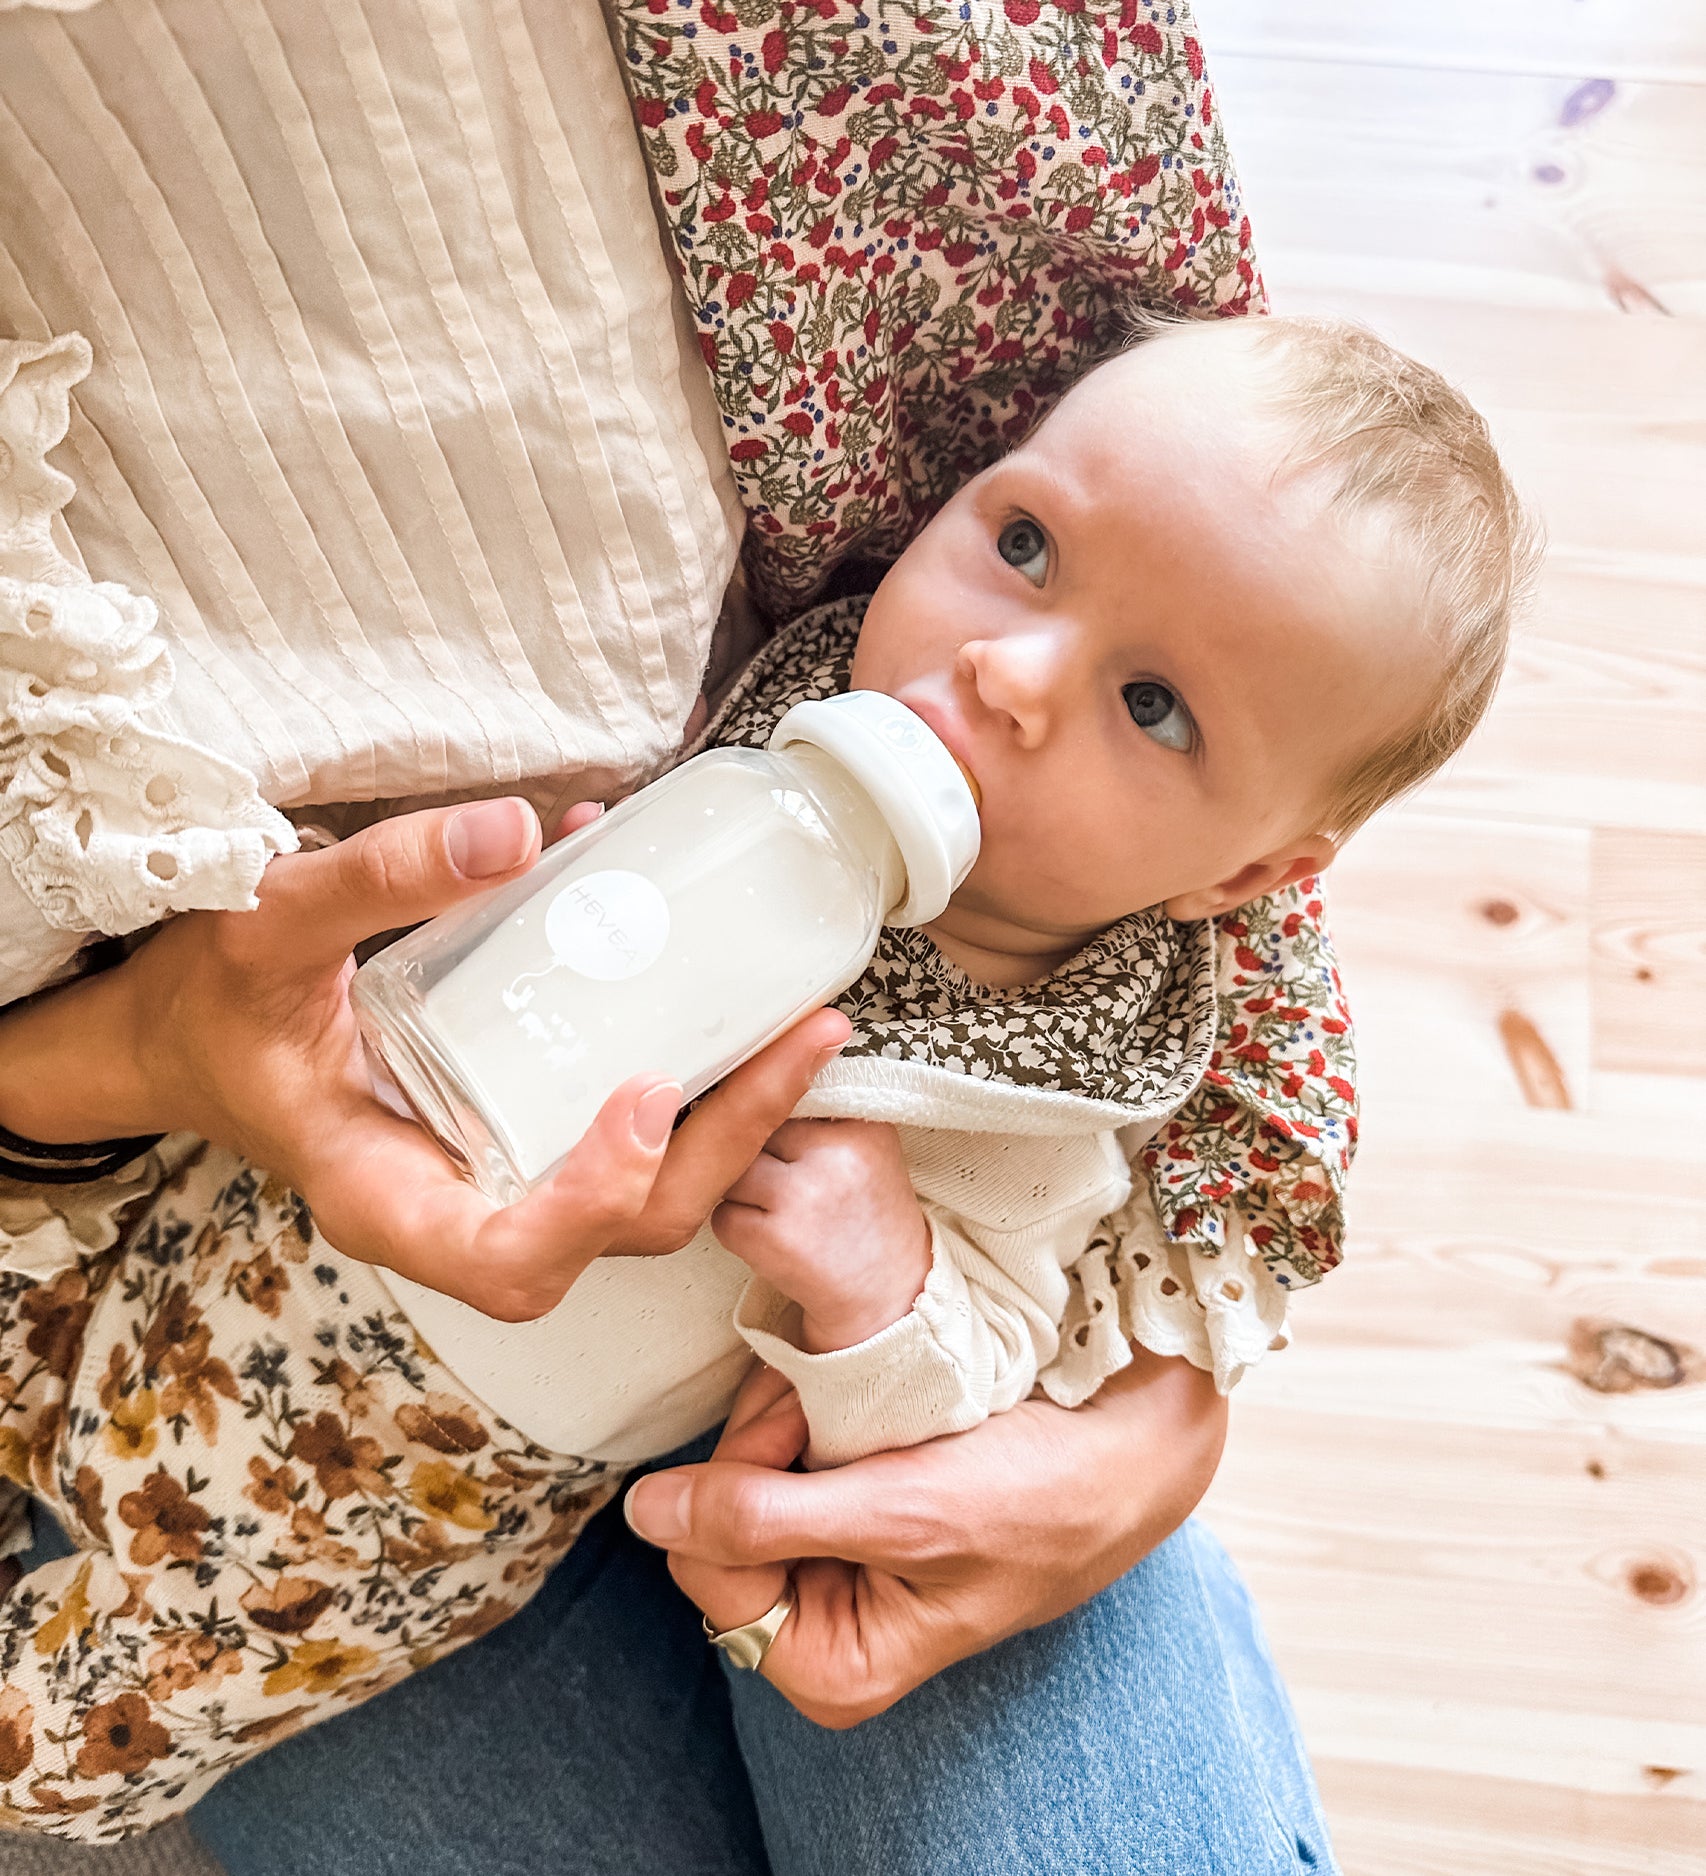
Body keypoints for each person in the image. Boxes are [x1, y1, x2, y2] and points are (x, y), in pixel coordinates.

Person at [0, 0, 1383, 1868]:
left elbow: (986, 1362)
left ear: (1237, 882)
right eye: (1024, 548)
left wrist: (879, 1294)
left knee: (182, 1646)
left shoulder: (1056, 1085)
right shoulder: (777, 731)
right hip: (229, 1215)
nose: (1005, 671)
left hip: (473, 1474)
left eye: (1153, 708)